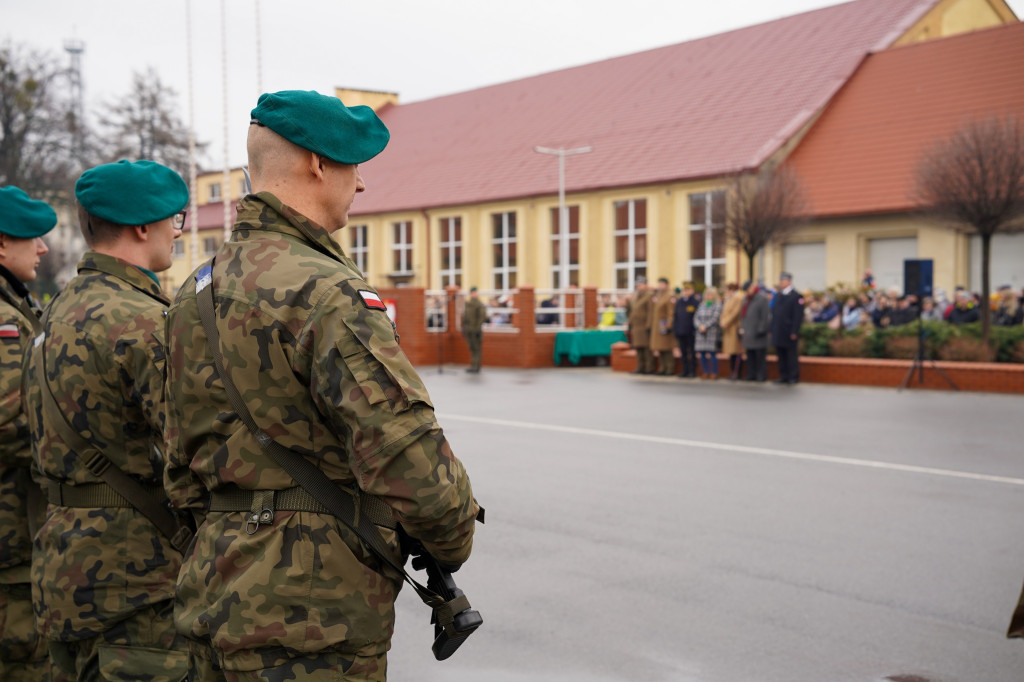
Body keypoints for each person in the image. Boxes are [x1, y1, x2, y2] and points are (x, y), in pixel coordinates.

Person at [163, 90, 479, 681]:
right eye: (354, 165)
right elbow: (409, 458)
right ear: (317, 164)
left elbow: (178, 465)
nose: (360, 184)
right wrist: (452, 536)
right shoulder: (328, 291)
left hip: (211, 595)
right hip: (310, 617)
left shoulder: (192, 294)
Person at [22, 161, 191, 680]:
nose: (178, 231)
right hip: (136, 582)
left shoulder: (57, 309)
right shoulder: (144, 319)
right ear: (144, 227)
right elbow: (194, 452)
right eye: (176, 219)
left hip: (63, 568)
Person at [0, 186, 55, 681]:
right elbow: (10, 424)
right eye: (30, 237)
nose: (42, 248)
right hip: (11, 538)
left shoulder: (14, 306)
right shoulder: (3, 320)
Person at [771, 272, 805, 385]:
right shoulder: (779, 295)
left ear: (788, 281)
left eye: (783, 281)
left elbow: (797, 316)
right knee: (781, 355)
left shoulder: (796, 296)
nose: (781, 283)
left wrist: (794, 331)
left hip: (788, 331)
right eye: (780, 281)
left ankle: (793, 376)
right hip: (779, 330)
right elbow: (775, 313)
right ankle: (783, 376)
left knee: (791, 355)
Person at [739, 280, 770, 381]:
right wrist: (741, 328)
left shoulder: (762, 299)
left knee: (760, 356)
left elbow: (765, 316)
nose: (747, 292)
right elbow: (743, 316)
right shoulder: (746, 299)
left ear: (752, 287)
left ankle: (761, 375)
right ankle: (751, 374)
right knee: (750, 356)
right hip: (748, 332)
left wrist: (761, 330)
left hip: (757, 333)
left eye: (748, 290)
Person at [672, 282, 700, 378]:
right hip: (681, 331)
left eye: (688, 289)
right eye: (685, 290)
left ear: (692, 291)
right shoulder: (680, 302)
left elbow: (697, 317)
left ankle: (692, 371)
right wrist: (675, 329)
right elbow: (676, 316)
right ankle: (685, 371)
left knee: (692, 353)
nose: (686, 291)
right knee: (683, 353)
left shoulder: (695, 302)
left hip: (691, 332)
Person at [648, 277, 675, 376]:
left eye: (661, 284)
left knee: (667, 348)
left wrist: (669, 324)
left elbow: (670, 312)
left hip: (664, 324)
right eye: (658, 284)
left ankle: (669, 368)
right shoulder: (658, 295)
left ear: (666, 285)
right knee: (660, 347)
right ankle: (662, 368)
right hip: (657, 324)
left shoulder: (669, 296)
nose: (659, 286)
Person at [694, 286, 723, 379]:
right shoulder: (702, 304)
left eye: (711, 294)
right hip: (701, 332)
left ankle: (714, 372)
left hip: (711, 332)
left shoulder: (717, 305)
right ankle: (705, 372)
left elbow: (715, 318)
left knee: (712, 353)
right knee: (701, 354)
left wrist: (705, 326)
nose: (709, 296)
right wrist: (699, 326)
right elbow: (696, 317)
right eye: (707, 294)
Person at [626, 278, 654, 374]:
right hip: (636, 326)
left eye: (640, 285)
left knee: (646, 348)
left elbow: (651, 312)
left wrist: (649, 325)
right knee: (638, 348)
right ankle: (640, 367)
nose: (638, 287)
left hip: (644, 325)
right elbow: (632, 312)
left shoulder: (649, 295)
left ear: (645, 285)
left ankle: (649, 368)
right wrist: (630, 323)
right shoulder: (636, 296)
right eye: (637, 285)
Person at [719, 283, 743, 379]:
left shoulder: (738, 297)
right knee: (731, 351)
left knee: (736, 351)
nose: (726, 292)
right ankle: (732, 371)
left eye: (727, 290)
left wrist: (725, 322)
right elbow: (724, 311)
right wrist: (722, 321)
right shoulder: (729, 298)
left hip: (733, 327)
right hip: (728, 328)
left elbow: (735, 312)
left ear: (732, 290)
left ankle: (736, 372)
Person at [463, 286, 487, 372]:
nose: (474, 294)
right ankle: (473, 365)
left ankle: (476, 367)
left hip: (475, 330)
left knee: (477, 349)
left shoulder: (479, 304)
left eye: (475, 292)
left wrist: (477, 328)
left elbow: (482, 317)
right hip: (469, 330)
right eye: (472, 293)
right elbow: (465, 317)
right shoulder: (468, 304)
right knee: (472, 348)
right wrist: (464, 328)